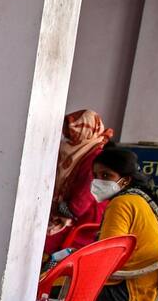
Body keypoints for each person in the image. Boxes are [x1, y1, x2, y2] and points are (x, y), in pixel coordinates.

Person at [91, 146, 158, 301]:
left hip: (127, 291)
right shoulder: (141, 198)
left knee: (51, 287)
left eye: (106, 175)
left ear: (125, 180)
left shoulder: (122, 203)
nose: (98, 181)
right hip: (145, 287)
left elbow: (107, 258)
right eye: (96, 176)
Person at [45, 109, 112, 255]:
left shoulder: (94, 160)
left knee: (36, 240)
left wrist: (44, 208)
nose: (67, 138)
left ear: (86, 132)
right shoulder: (78, 153)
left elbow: (75, 209)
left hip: (83, 223)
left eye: (73, 133)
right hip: (71, 216)